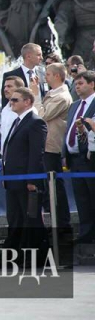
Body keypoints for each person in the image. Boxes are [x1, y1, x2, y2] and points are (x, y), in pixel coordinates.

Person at [1, 87, 47, 252]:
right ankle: (16, 252)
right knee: (16, 218)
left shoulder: (35, 122)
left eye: (15, 100)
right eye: (11, 99)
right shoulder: (17, 121)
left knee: (31, 219)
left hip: (25, 182)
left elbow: (36, 154)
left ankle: (36, 253)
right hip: (13, 181)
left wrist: (32, 180)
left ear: (27, 102)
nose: (11, 102)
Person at [33, 63, 72, 232]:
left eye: (48, 74)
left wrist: (34, 96)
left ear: (57, 76)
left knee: (55, 185)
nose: (45, 77)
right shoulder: (52, 94)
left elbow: (42, 115)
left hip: (52, 146)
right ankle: (56, 221)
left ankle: (63, 223)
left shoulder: (62, 96)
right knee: (48, 185)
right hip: (44, 145)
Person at [64, 71, 95, 243]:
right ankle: (85, 235)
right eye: (76, 83)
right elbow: (68, 129)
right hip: (74, 159)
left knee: (92, 197)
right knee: (82, 200)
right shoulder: (75, 105)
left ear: (92, 84)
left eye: (81, 83)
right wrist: (65, 151)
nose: (77, 86)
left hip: (90, 159)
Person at [2, 43, 46, 107]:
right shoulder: (11, 75)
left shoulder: (43, 74)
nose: (41, 58)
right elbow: (5, 100)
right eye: (38, 55)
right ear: (28, 56)